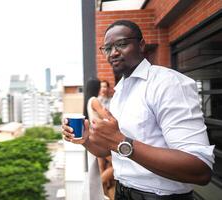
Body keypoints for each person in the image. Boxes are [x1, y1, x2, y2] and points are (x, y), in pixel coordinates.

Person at [62, 20, 215, 200]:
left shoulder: (167, 83)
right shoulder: (120, 90)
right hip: (122, 193)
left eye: (122, 44)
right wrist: (86, 139)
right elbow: (108, 150)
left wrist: (120, 141)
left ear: (141, 45)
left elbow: (200, 169)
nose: (114, 53)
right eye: (107, 48)